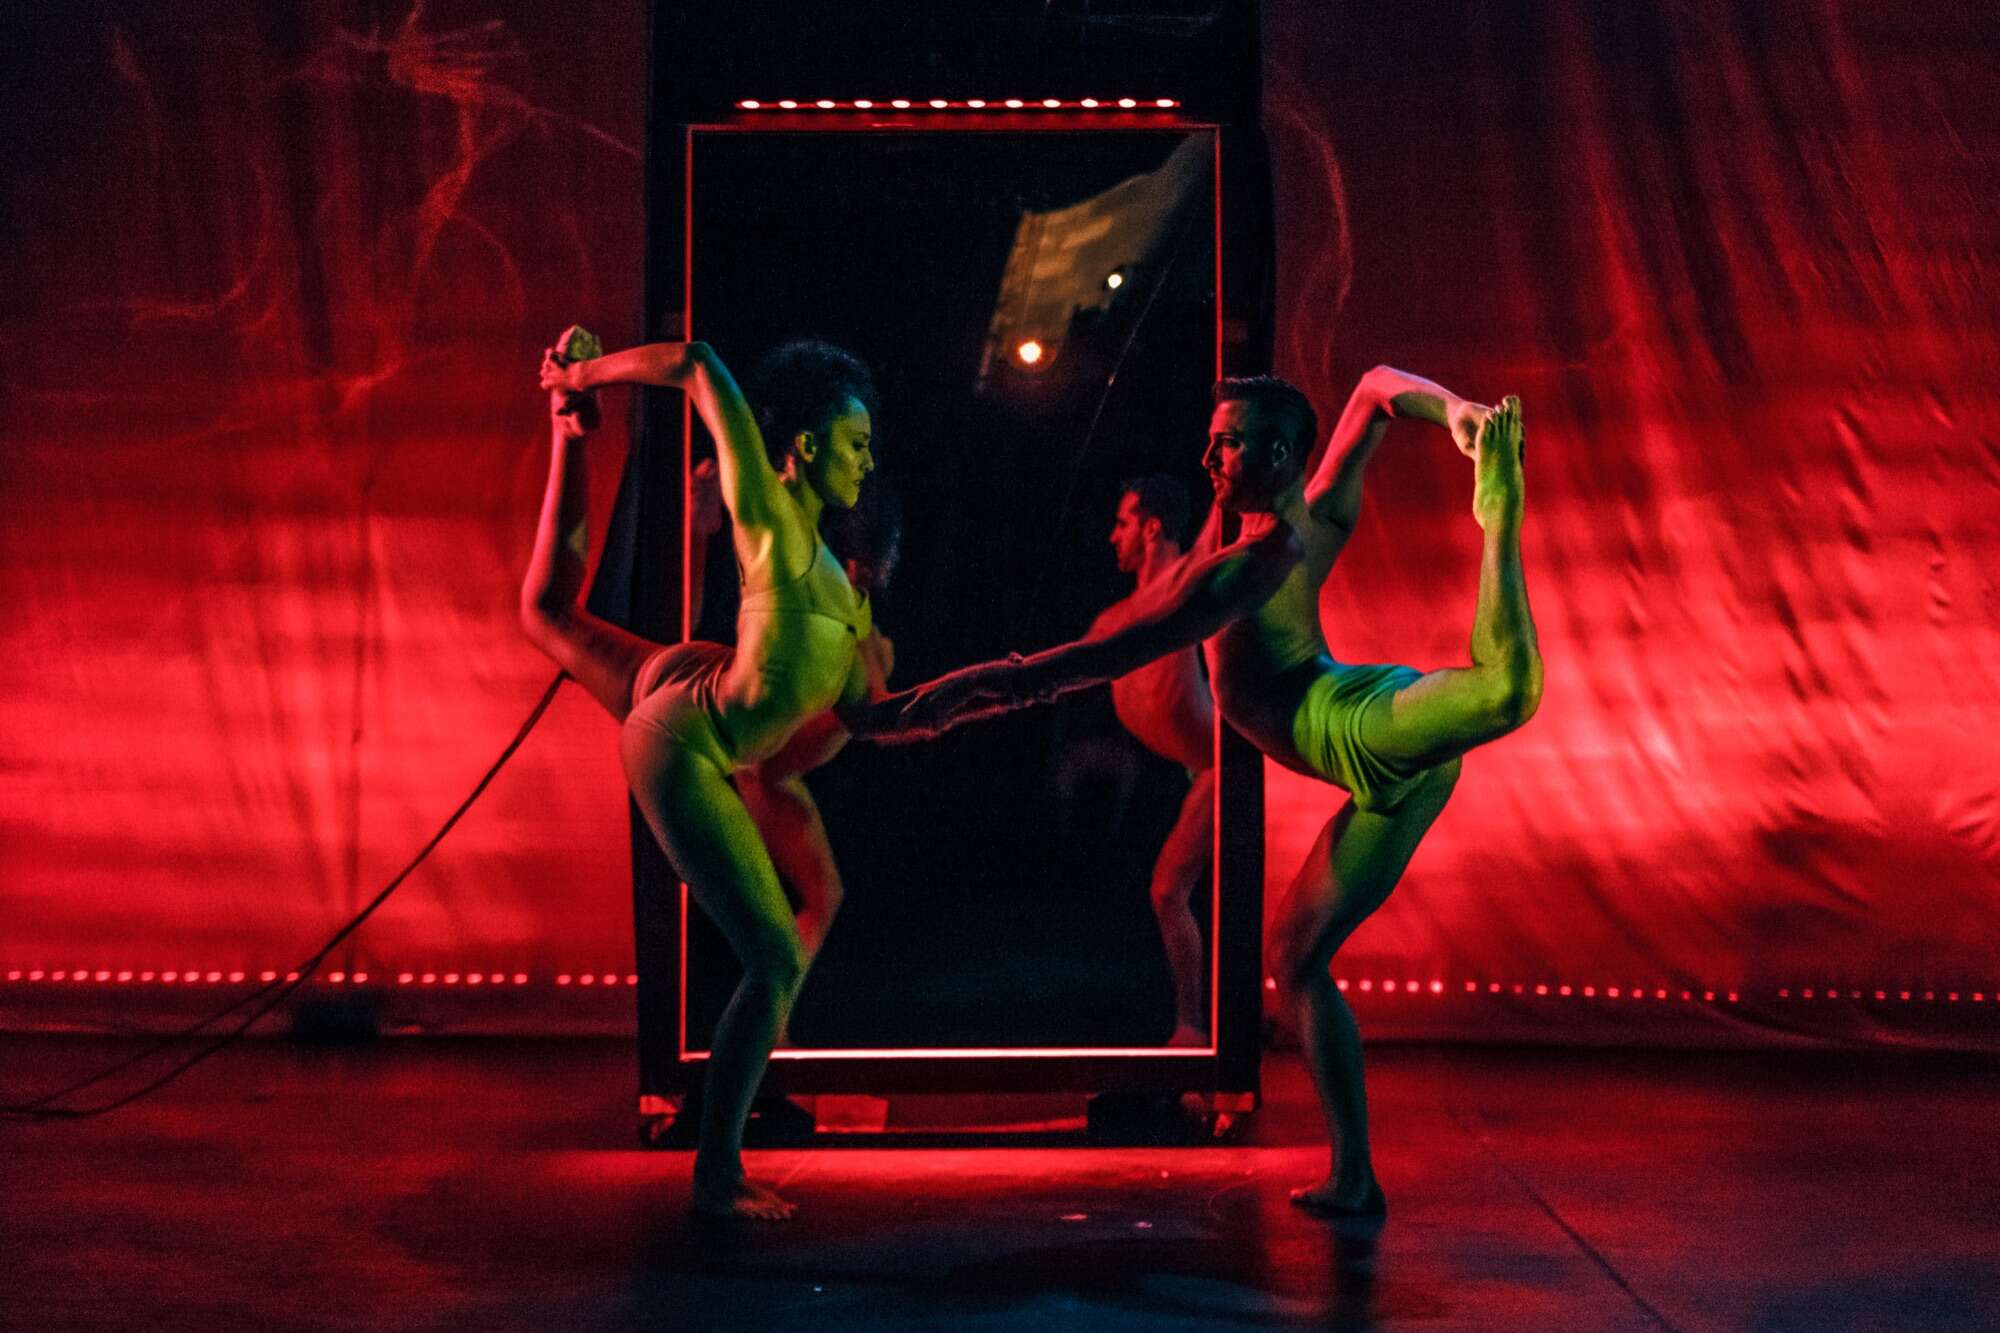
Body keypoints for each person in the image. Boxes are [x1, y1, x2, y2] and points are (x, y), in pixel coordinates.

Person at [866, 371, 1542, 1218]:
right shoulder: (1315, 510)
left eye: (1227, 441)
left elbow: (1089, 663)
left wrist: (959, 695)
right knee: (1294, 958)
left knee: (1503, 693)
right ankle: (1354, 1176)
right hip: (1378, 764)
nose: (1207, 456)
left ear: (1279, 453)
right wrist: (1457, 412)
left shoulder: (1245, 569)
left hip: (1356, 726)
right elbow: (1371, 388)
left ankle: (1500, 514)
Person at [529, 335, 877, 1220]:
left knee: (546, 615)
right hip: (684, 735)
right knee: (772, 958)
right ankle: (717, 1173)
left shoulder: (846, 583)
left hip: (692, 685)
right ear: (802, 448)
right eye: (853, 442)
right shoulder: (769, 510)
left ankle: (567, 436)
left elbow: (869, 710)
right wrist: (582, 371)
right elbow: (694, 364)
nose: (868, 461)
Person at [1087, 476, 1215, 1047]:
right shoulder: (1114, 621)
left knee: (1168, 890)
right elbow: (1055, 674)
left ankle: (1194, 1029)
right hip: (1191, 768)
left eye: (1122, 522)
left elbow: (1221, 520)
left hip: (1226, 765)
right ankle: (1197, 1026)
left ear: (1152, 526)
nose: (1112, 535)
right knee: (1168, 893)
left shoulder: (1190, 581)